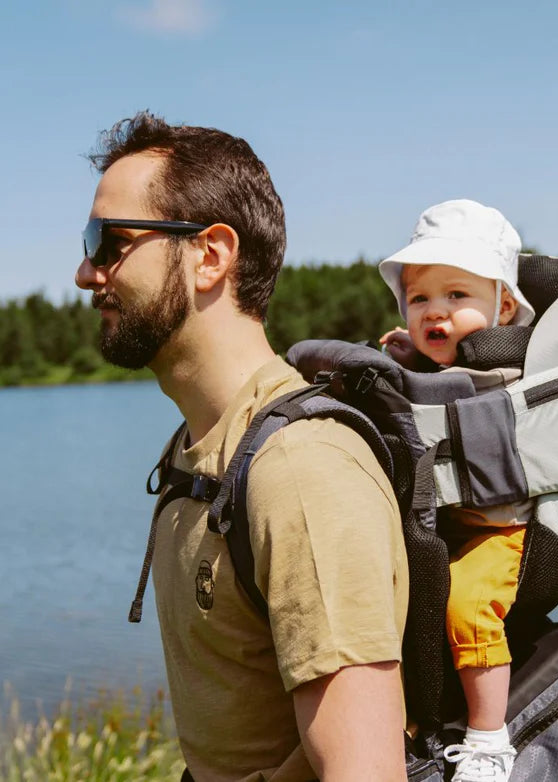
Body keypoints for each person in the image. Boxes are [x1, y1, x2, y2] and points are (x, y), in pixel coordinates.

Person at [74, 111, 410, 782]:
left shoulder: (302, 472)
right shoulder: (199, 451)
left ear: (210, 256)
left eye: (109, 242)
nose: (86, 272)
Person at [378, 199, 537, 782]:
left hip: (502, 526)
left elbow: (464, 387)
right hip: (442, 523)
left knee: (468, 608)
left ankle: (490, 738)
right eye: (419, 299)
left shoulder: (505, 364)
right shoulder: (432, 362)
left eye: (456, 296)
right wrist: (406, 357)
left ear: (504, 307)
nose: (434, 311)